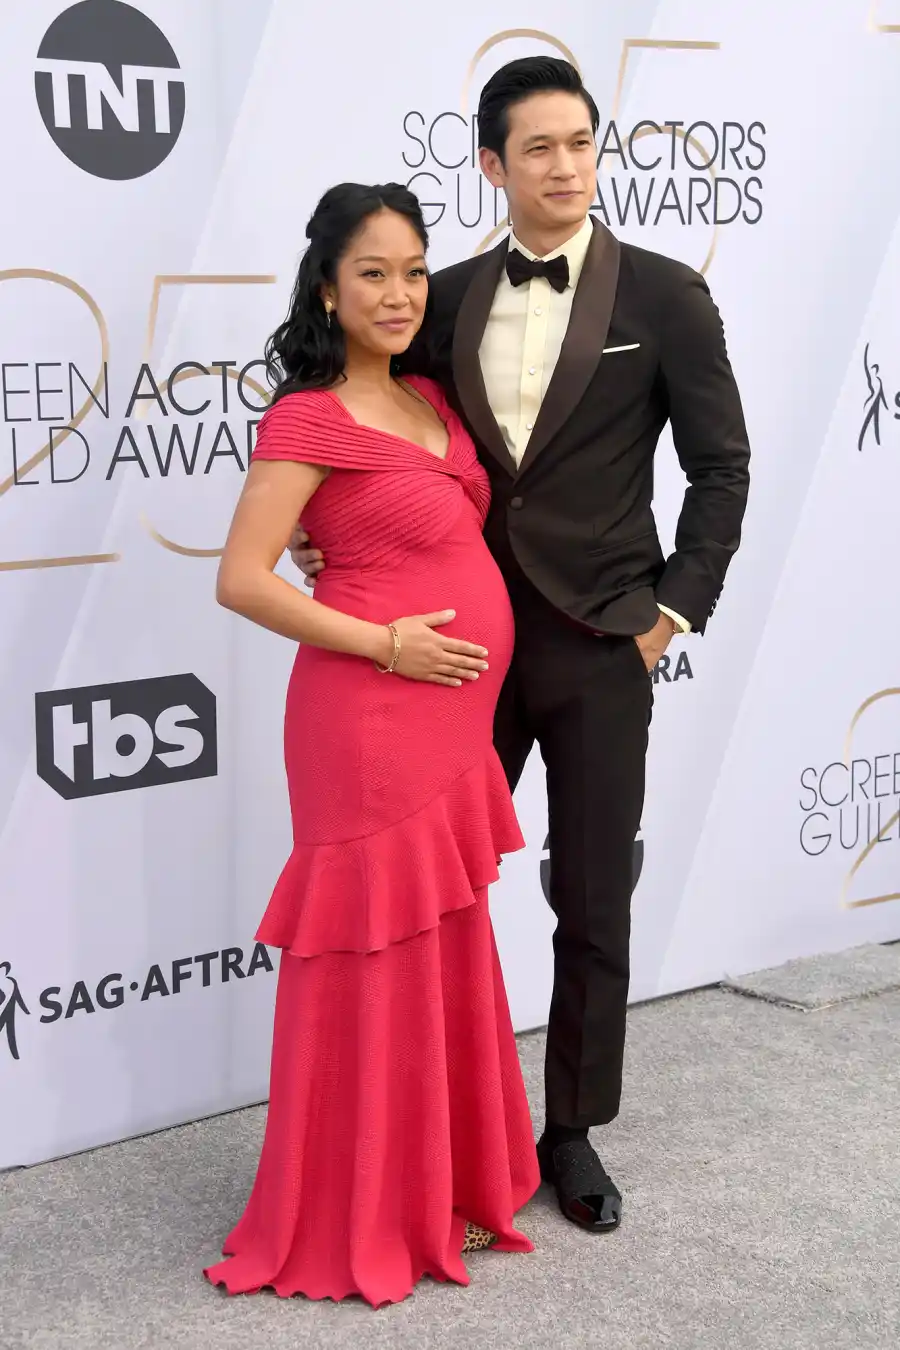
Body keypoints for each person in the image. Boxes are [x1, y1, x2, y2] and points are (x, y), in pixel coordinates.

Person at [292, 58, 751, 1234]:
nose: (564, 166)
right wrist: (317, 533)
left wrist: (669, 615)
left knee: (593, 895)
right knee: (436, 898)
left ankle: (572, 1131)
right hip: (454, 657)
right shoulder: (433, 298)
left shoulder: (664, 297)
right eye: (536, 148)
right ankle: (434, 1130)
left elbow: (721, 468)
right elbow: (364, 425)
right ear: (490, 165)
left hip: (604, 645)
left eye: (580, 143)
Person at [204, 182, 539, 1308]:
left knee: (442, 940)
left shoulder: (434, 396)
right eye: (373, 275)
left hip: (451, 718)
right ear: (328, 289)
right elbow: (243, 577)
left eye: (412, 270)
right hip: (369, 716)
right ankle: (355, 1210)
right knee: (370, 954)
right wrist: (383, 643)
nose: (399, 294)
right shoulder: (305, 414)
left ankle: (434, 1187)